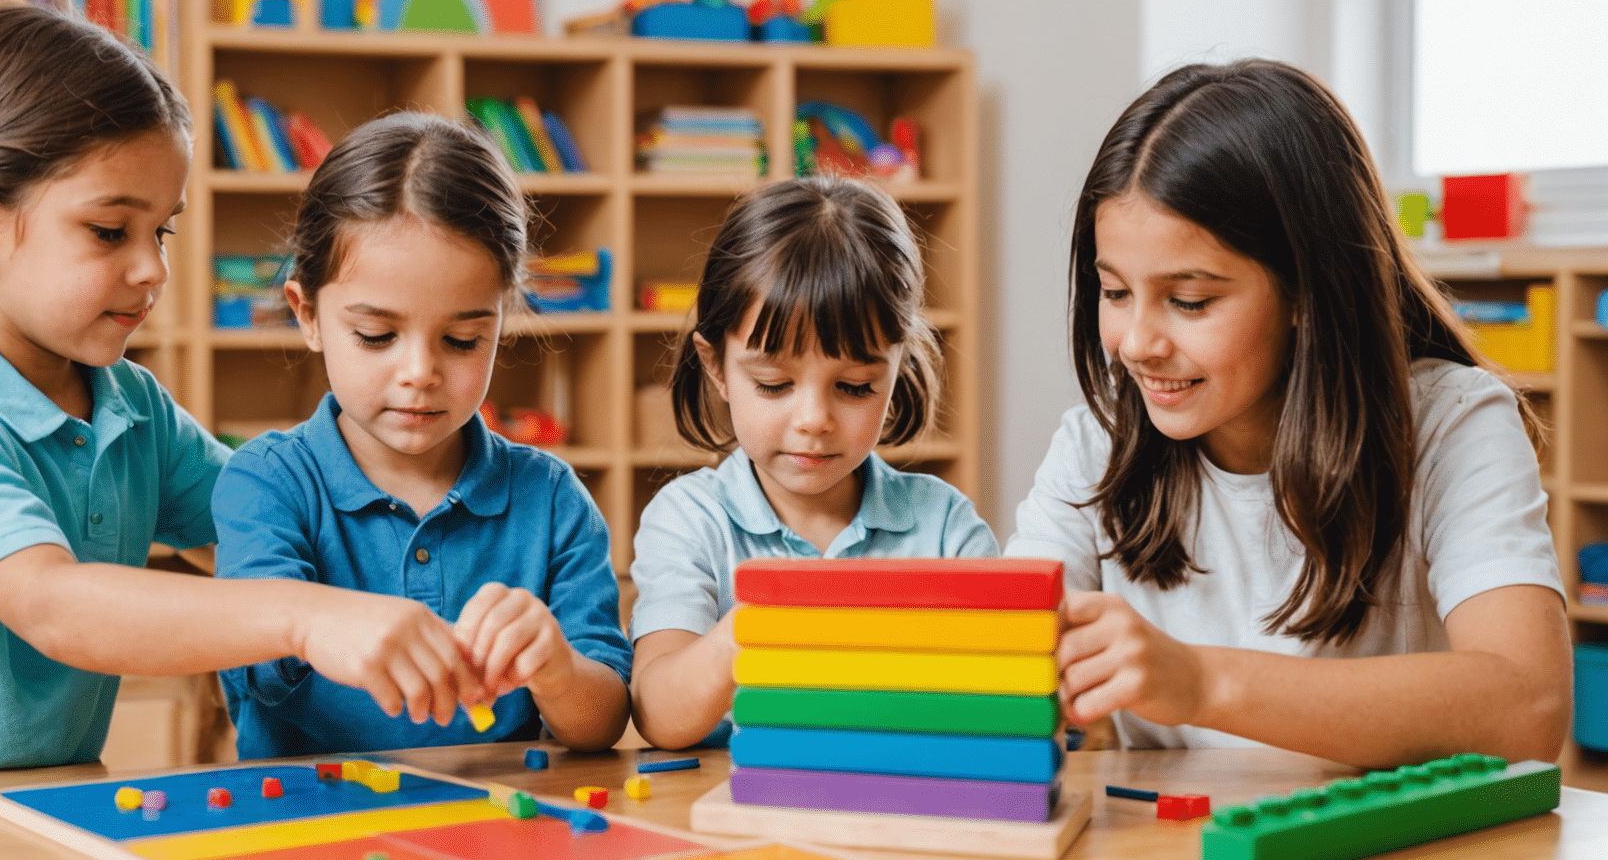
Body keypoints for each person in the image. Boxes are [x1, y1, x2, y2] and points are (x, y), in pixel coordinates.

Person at [0, 5, 480, 782]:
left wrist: (469, 604)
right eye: (111, 231)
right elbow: (56, 606)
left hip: (29, 812)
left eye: (163, 231)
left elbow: (272, 525)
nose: (154, 269)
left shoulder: (132, 407)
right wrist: (307, 618)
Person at [1007, 59, 1570, 769]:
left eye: (1189, 301)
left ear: (1308, 289)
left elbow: (1528, 706)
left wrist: (1202, 681)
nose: (1137, 344)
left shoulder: (1451, 426)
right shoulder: (1099, 445)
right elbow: (1015, 648)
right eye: (1115, 292)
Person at [213, 112, 631, 759]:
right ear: (308, 314)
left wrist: (557, 670)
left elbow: (602, 721)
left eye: (464, 340)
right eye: (377, 336)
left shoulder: (550, 500)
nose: (420, 374)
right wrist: (326, 624)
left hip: (498, 837)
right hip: (307, 833)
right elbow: (255, 660)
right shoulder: (267, 482)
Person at [628, 177, 998, 751]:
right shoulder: (690, 519)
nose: (814, 419)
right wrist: (755, 629)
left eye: (854, 387)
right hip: (742, 815)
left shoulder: (943, 525)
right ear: (718, 366)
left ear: (898, 369)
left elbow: (1001, 701)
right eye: (774, 385)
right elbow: (657, 713)